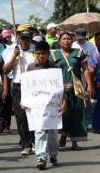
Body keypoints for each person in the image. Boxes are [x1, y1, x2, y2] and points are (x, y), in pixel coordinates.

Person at [50, 32, 94, 150]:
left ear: (72, 40)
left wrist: (89, 85)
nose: (66, 41)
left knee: (77, 114)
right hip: (60, 90)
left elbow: (85, 69)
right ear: (59, 42)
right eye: (64, 39)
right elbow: (49, 72)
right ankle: (64, 134)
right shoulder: (54, 55)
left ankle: (75, 143)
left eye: (69, 39)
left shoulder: (78, 53)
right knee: (63, 114)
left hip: (77, 89)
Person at [27, 41, 67, 170]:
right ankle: (41, 158)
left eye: (43, 53)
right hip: (37, 106)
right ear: (35, 54)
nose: (41, 56)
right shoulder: (30, 68)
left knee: (52, 132)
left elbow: (61, 89)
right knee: (39, 130)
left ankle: (53, 154)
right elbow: (27, 88)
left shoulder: (55, 68)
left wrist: (64, 102)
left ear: (48, 53)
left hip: (52, 106)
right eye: (38, 53)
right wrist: (24, 101)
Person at [3, 30, 36, 156]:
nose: (25, 41)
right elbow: (5, 70)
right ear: (19, 39)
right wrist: (14, 57)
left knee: (32, 115)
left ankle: (34, 141)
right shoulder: (14, 52)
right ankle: (25, 144)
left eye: (27, 39)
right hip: (18, 86)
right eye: (23, 39)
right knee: (21, 116)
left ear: (30, 40)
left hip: (32, 87)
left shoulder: (34, 52)